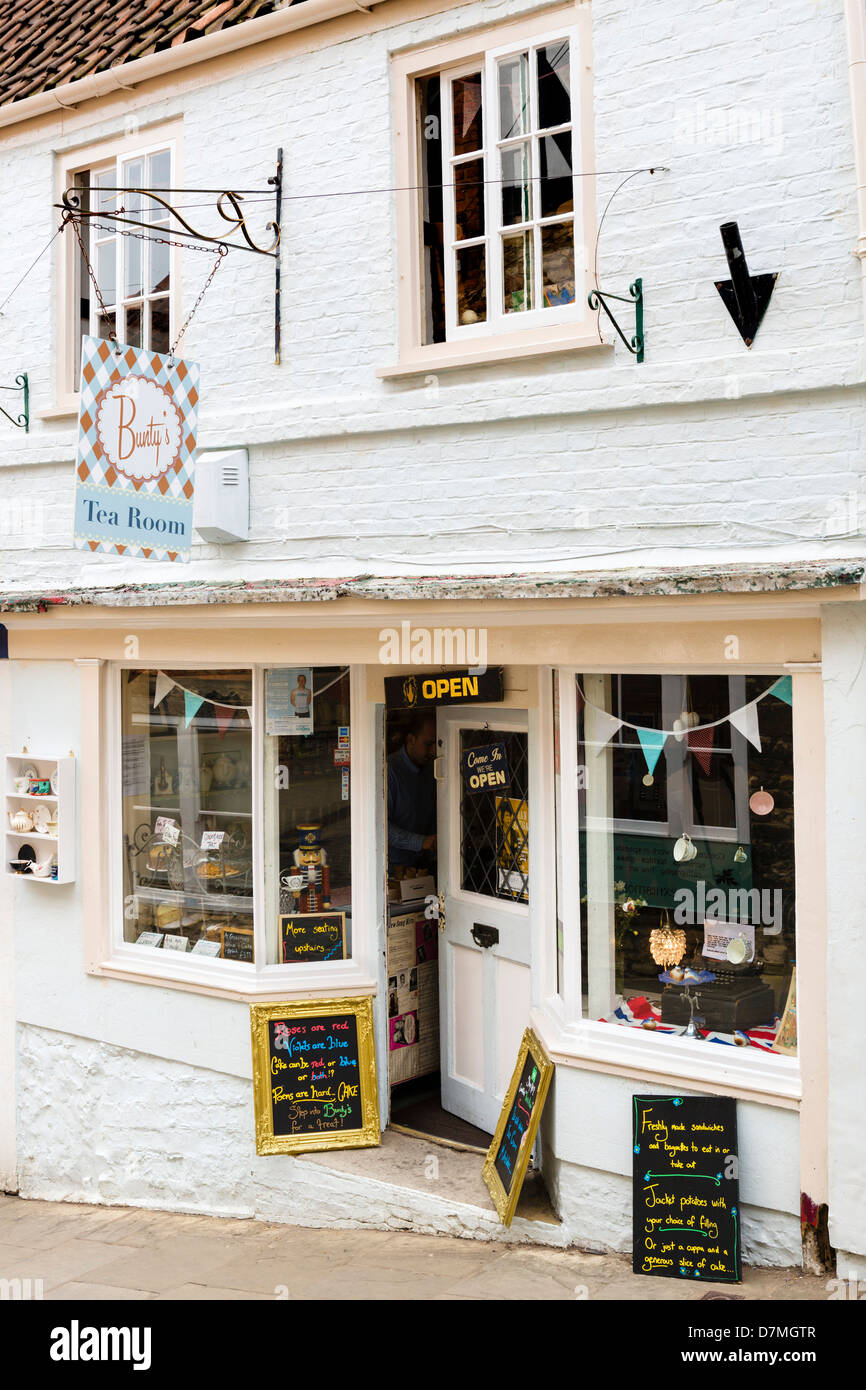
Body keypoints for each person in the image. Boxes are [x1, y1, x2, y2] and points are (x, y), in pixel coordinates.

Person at [387, 712, 437, 872]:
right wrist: (422, 842)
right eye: (428, 744)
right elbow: (380, 827)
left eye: (437, 744)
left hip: (424, 866)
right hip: (393, 870)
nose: (433, 751)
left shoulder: (431, 770)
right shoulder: (389, 771)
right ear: (411, 740)